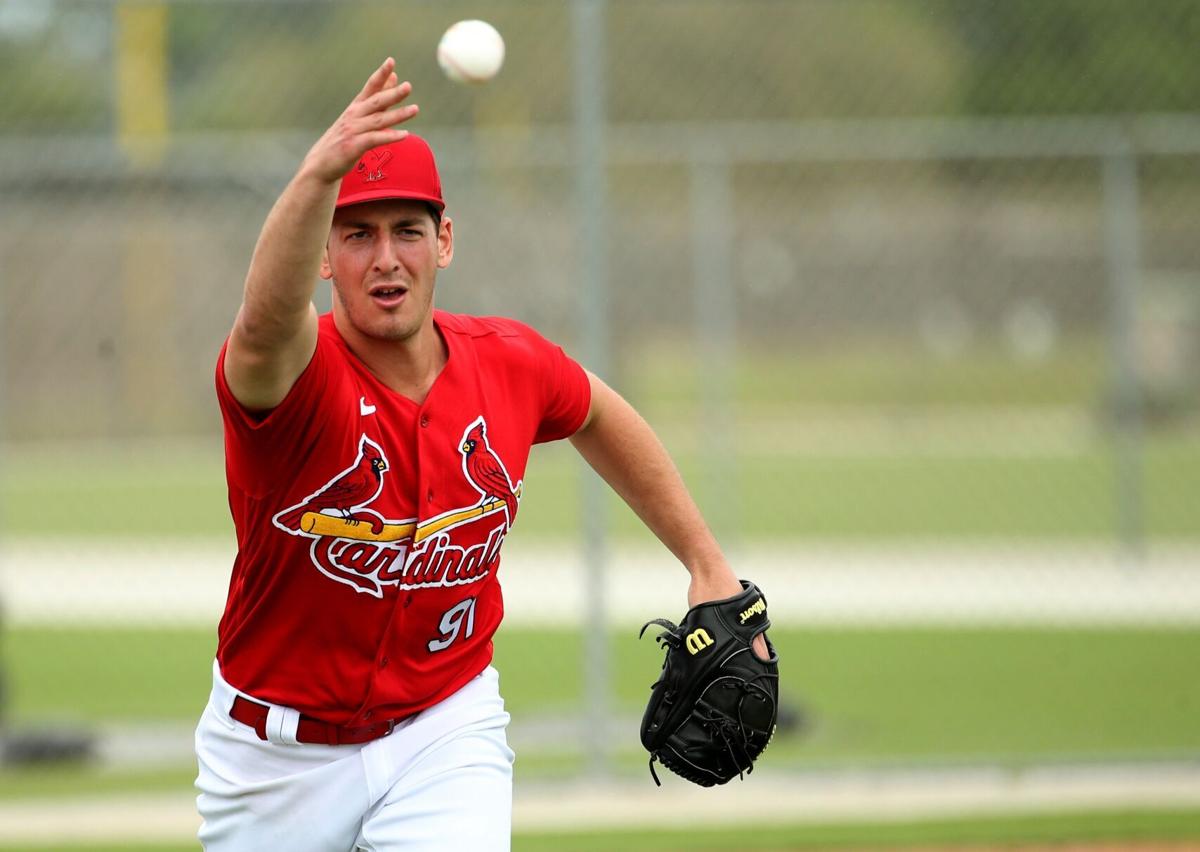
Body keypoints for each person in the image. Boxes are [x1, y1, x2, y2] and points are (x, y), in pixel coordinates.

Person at [195, 57, 764, 851]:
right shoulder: (291, 381)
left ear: (446, 240)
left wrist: (707, 563)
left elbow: (599, 412)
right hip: (272, 760)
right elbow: (262, 324)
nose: (386, 257)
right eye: (357, 234)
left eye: (407, 231)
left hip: (442, 727)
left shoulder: (509, 364)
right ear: (324, 255)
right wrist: (316, 175)